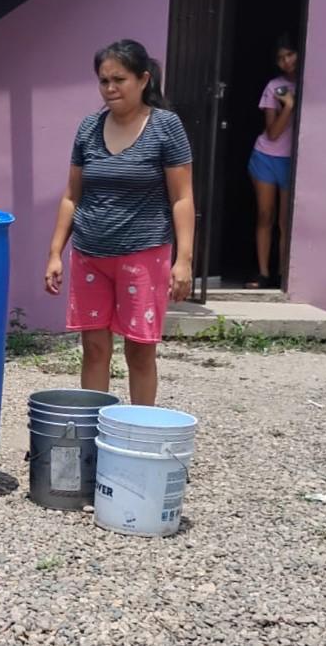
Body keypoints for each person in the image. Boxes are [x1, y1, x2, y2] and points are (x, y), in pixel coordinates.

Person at [44, 39, 195, 406]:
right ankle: (92, 437)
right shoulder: (88, 128)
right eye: (103, 81)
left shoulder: (165, 127)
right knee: (94, 349)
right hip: (90, 255)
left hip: (143, 256)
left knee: (140, 350)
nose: (110, 89)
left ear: (143, 79)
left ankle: (138, 436)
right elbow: (71, 196)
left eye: (119, 79)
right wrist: (54, 253)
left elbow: (182, 198)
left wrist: (184, 260)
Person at [245, 36, 298, 289]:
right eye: (280, 57)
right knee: (266, 215)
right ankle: (264, 273)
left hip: (293, 161)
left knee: (285, 221)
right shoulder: (274, 86)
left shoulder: (311, 84)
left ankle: (283, 275)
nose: (286, 61)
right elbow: (273, 133)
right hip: (266, 156)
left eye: (290, 54)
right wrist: (287, 107)